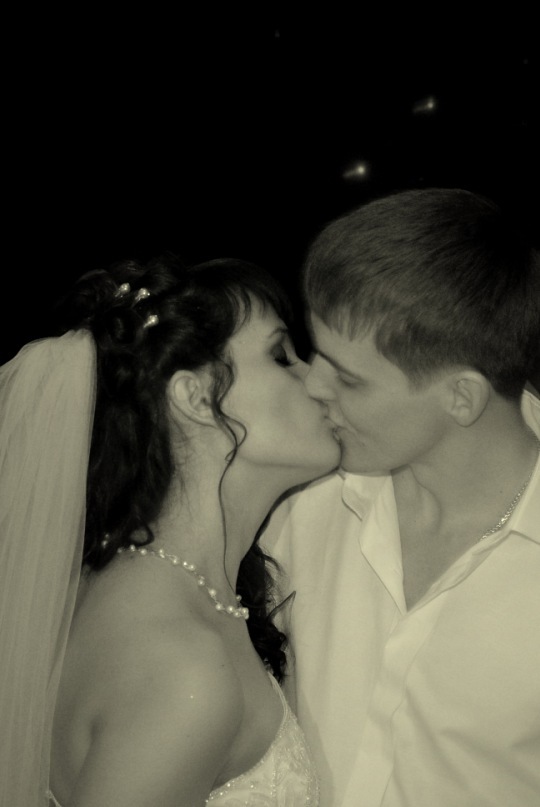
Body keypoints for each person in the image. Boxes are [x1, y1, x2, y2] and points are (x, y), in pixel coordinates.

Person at [0, 255, 342, 806]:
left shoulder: (143, 590)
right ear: (196, 398)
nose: (318, 380)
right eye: (281, 356)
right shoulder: (182, 666)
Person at [261, 187, 540, 807]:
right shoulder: (303, 499)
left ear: (461, 397)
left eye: (348, 378)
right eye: (315, 353)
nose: (313, 384)